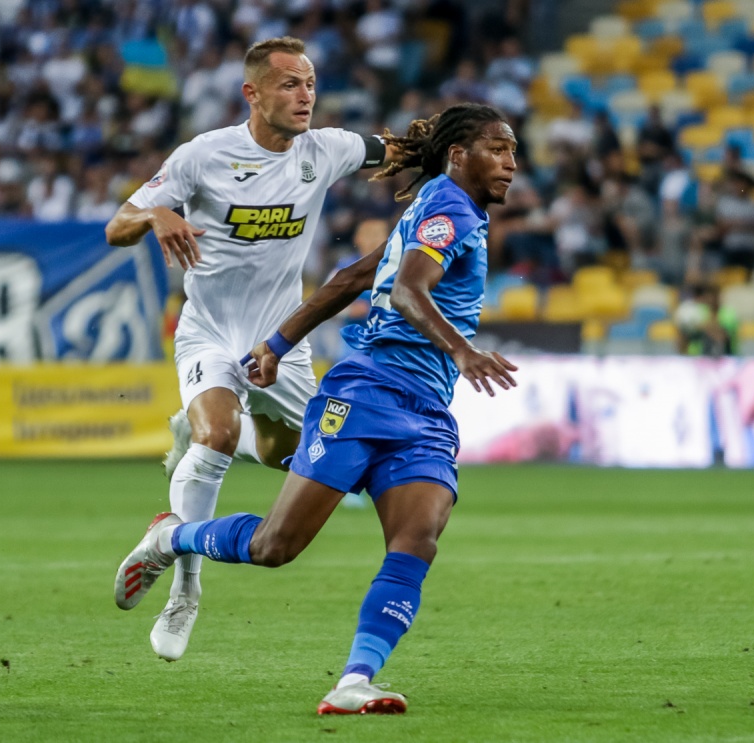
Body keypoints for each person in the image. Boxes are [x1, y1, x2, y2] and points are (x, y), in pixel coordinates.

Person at [113, 103, 519, 714]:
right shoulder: (450, 209)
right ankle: (173, 536)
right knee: (275, 546)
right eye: (498, 149)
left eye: (513, 151)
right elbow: (407, 290)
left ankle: (354, 681)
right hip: (370, 392)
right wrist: (463, 352)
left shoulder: (439, 206)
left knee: (417, 541)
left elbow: (355, 277)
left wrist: (277, 344)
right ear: (459, 156)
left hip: (427, 411)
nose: (511, 163)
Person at [104, 36, 397, 663]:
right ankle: (184, 589)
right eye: (289, 84)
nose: (305, 95)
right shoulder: (203, 155)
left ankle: (205, 439)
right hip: (209, 331)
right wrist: (156, 216)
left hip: (281, 343)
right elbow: (116, 226)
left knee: (295, 459)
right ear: (253, 93)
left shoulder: (327, 150)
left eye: (310, 83)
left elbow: (395, 149)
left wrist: (455, 145)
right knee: (215, 435)